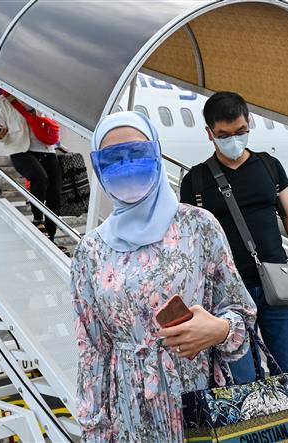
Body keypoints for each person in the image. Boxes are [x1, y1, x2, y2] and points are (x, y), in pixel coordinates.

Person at [71, 111, 256, 442]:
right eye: (114, 158)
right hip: (127, 407)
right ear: (99, 167)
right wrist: (93, 426)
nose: (127, 165)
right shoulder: (91, 250)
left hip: (198, 395)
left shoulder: (199, 226)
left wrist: (219, 329)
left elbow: (242, 314)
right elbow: (92, 348)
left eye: (138, 153)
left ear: (156, 154)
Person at [180, 91, 288, 382]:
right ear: (209, 133)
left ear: (248, 124)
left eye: (240, 131)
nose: (233, 140)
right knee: (244, 381)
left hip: (278, 287)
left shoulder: (268, 166)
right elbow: (190, 245)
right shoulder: (195, 181)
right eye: (223, 134)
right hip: (227, 297)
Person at [0, 90, 62, 241]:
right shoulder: (1, 103)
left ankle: (51, 237)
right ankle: (37, 219)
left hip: (46, 148)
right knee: (39, 177)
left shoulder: (37, 96)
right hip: (20, 149)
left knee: (54, 192)